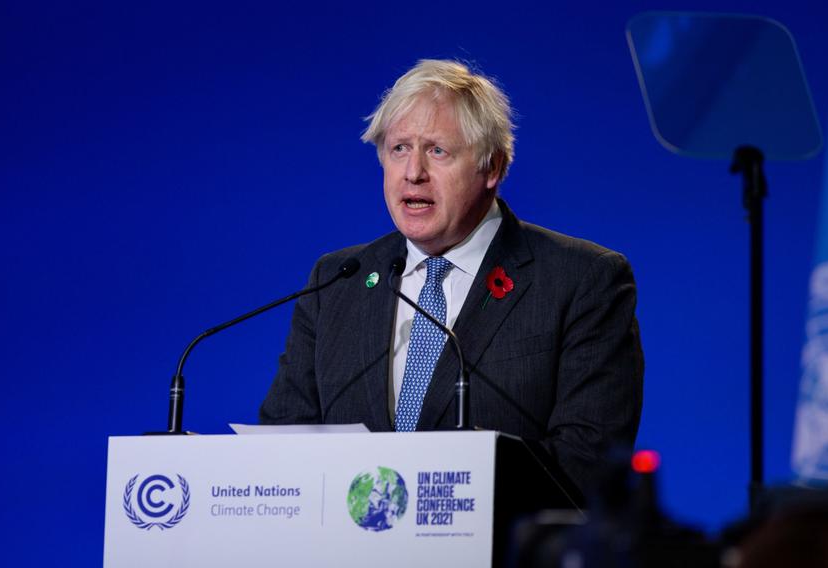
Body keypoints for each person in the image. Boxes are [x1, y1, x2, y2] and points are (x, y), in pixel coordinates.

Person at [259, 59, 643, 495]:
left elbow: (588, 462)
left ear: (492, 168)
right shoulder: (338, 281)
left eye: (437, 151)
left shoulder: (581, 280)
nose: (413, 172)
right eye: (399, 148)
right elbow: (285, 440)